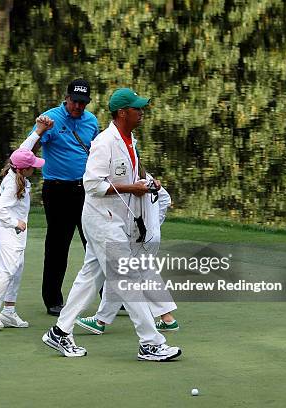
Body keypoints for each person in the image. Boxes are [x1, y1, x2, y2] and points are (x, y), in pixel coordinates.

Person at [42, 88, 182, 361]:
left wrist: (148, 182)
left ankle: (60, 332)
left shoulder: (130, 140)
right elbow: (92, 184)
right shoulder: (104, 142)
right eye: (137, 109)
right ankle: (151, 342)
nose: (141, 113)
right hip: (101, 220)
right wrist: (133, 188)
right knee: (127, 278)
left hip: (117, 220)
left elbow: (133, 171)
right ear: (122, 113)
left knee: (89, 277)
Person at [20, 78, 99, 316]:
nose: (78, 107)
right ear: (66, 98)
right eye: (75, 101)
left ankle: (110, 297)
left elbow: (97, 152)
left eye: (82, 103)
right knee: (58, 245)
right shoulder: (50, 118)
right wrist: (40, 129)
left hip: (86, 190)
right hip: (57, 190)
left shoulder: (91, 121)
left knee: (95, 243)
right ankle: (53, 299)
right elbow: (26, 151)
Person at [76, 181, 180, 335]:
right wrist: (154, 225)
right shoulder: (142, 179)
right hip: (147, 235)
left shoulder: (131, 181)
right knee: (129, 274)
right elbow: (165, 198)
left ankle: (101, 321)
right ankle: (167, 319)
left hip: (139, 237)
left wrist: (151, 224)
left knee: (122, 275)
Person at [0, 144, 47, 329]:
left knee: (16, 270)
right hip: (9, 232)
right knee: (7, 270)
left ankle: (8, 311)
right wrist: (15, 222)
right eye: (33, 166)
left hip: (17, 234)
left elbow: (24, 149)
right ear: (24, 169)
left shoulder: (19, 176)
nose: (35, 168)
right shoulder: (12, 184)